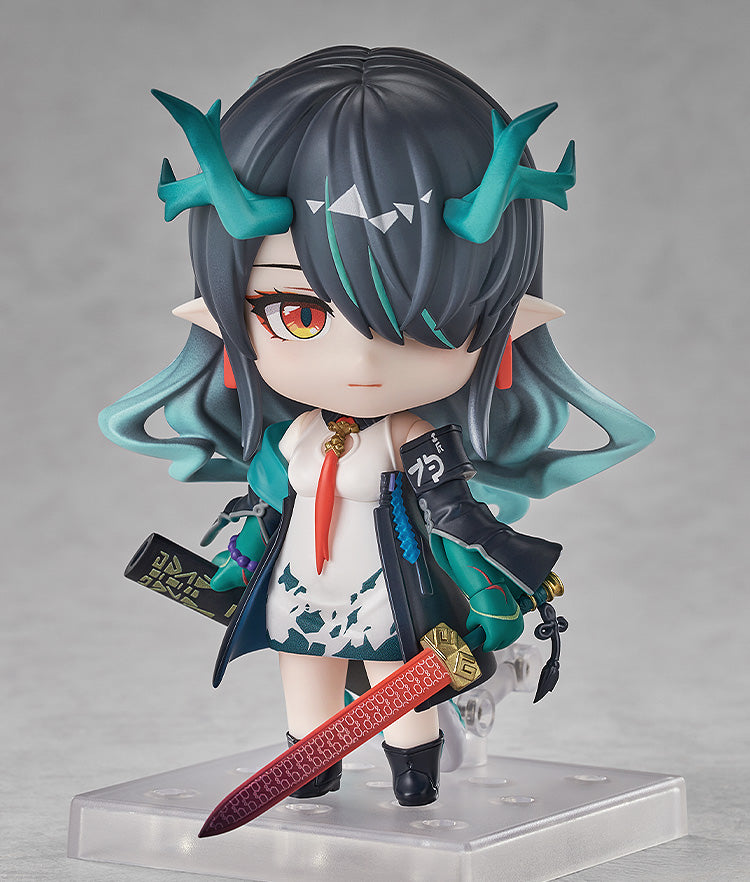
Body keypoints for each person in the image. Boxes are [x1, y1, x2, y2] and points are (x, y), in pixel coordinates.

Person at [100, 46, 654, 807]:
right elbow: (264, 512)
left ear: (505, 324)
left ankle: (412, 763)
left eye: (429, 323)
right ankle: (310, 757)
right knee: (303, 664)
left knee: (401, 671)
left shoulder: (412, 438)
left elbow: (453, 512)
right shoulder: (290, 441)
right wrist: (233, 568)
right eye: (300, 314)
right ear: (225, 319)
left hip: (389, 589)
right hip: (300, 584)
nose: (361, 359)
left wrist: (507, 570)